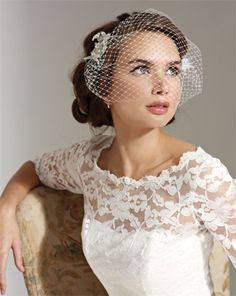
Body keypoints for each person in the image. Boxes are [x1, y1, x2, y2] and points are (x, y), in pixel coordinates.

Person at [0, 8, 235, 296]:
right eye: (141, 68)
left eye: (172, 70)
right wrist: (6, 208)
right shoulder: (89, 164)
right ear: (105, 87)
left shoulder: (198, 174)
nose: (163, 86)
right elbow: (35, 169)